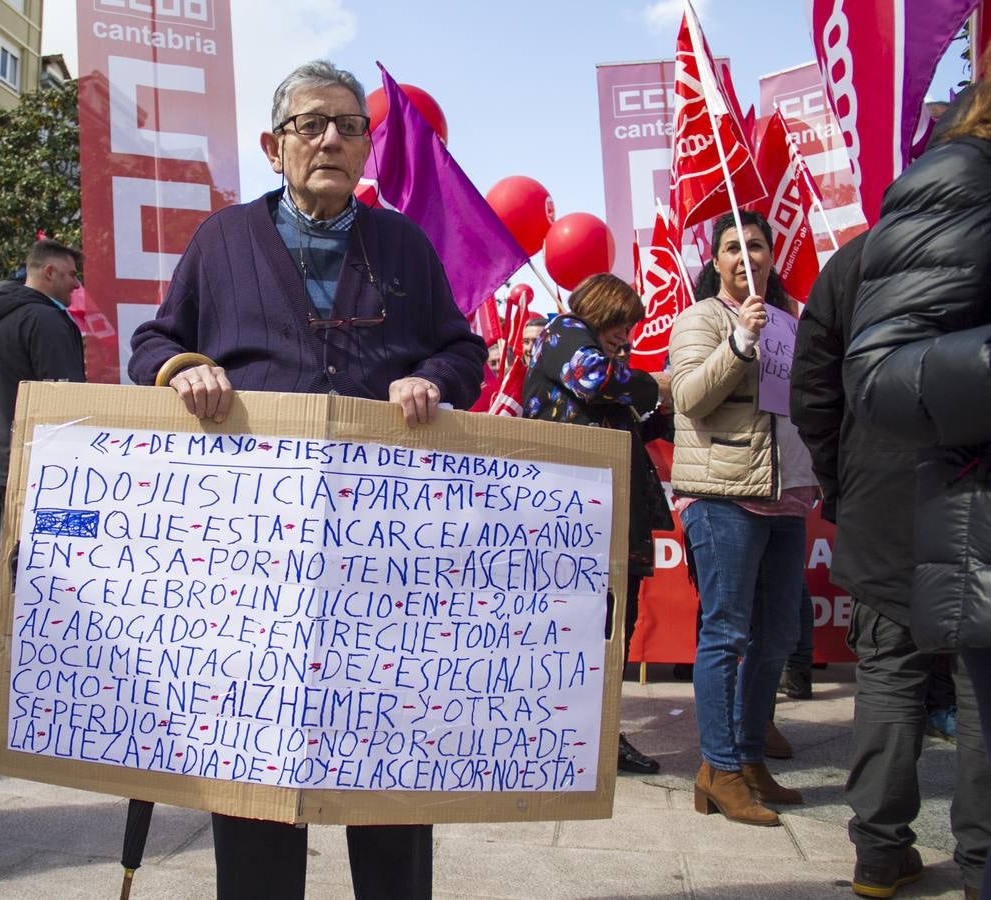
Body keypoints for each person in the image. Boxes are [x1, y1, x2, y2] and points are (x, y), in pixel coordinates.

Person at [128, 59, 486, 900]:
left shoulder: (402, 242)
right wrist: (184, 367)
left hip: (384, 554)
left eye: (350, 125)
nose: (331, 139)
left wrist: (431, 377)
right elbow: (153, 341)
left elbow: (462, 346)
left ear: (368, 145)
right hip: (255, 558)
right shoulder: (223, 239)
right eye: (311, 125)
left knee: (390, 766)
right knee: (255, 761)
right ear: (273, 144)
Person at [793, 231, 990, 898]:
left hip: (883, 486)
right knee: (975, 675)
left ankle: (878, 852)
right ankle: (978, 861)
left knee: (889, 667)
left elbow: (812, 389)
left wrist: (844, 479)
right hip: (970, 483)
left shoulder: (860, 256)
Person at [844, 75, 991, 900]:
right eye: (736, 248)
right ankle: (885, 846)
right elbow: (839, 385)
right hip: (901, 500)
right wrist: (839, 488)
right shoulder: (867, 257)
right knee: (900, 668)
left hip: (909, 499)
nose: (751, 260)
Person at [668, 209, 816, 827]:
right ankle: (719, 769)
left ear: (770, 255)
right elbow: (689, 397)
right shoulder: (702, 318)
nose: (744, 256)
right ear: (717, 260)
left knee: (777, 636)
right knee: (728, 634)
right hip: (724, 493)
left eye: (755, 245)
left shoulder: (787, 321)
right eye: (733, 247)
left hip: (785, 494)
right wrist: (739, 342)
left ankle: (750, 759)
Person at [520, 273, 669, 775]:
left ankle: (600, 733)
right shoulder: (563, 332)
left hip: (604, 510)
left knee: (612, 629)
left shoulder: (603, 358)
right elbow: (593, 379)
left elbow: (612, 411)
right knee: (577, 626)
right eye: (622, 323)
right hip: (572, 513)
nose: (626, 336)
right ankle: (564, 731)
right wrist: (653, 386)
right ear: (602, 308)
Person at [0, 238, 86, 537]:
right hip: (32, 462)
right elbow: (66, 399)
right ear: (50, 271)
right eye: (72, 274)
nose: (77, 284)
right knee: (37, 560)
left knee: (9, 554)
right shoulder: (45, 319)